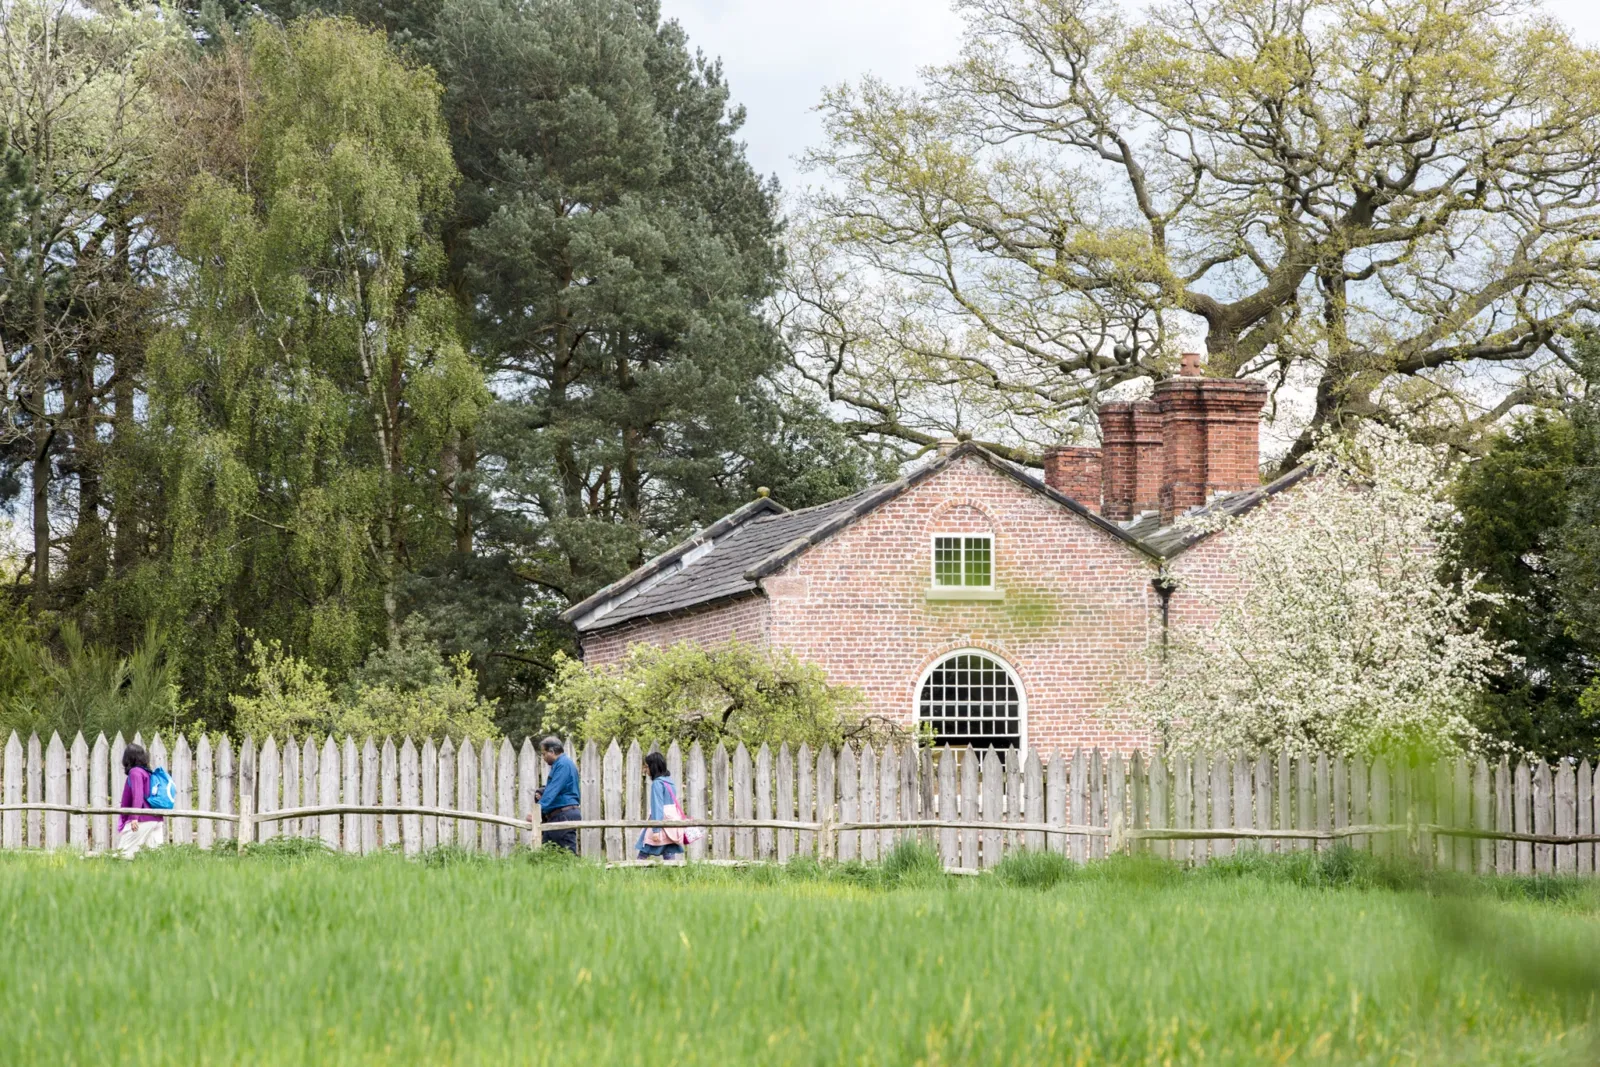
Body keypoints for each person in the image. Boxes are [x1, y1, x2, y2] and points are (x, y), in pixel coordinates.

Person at [532, 737, 581, 853]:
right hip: (558, 814)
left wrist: (538, 811)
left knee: (566, 855)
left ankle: (572, 871)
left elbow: (554, 789)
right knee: (548, 855)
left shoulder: (563, 765)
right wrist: (542, 791)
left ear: (552, 752)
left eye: (544, 754)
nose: (543, 758)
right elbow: (558, 788)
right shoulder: (562, 765)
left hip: (563, 815)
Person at [635, 751, 686, 863]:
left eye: (647, 766)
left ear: (653, 767)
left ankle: (635, 872)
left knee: (645, 848)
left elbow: (657, 806)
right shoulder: (669, 783)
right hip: (671, 824)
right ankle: (671, 875)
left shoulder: (657, 784)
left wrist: (656, 829)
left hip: (659, 822)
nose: (645, 770)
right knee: (668, 850)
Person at [117, 743, 165, 859]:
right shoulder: (147, 773)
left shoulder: (135, 772)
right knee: (156, 857)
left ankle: (120, 876)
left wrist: (134, 818)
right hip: (155, 819)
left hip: (142, 820)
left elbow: (137, 795)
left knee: (123, 854)